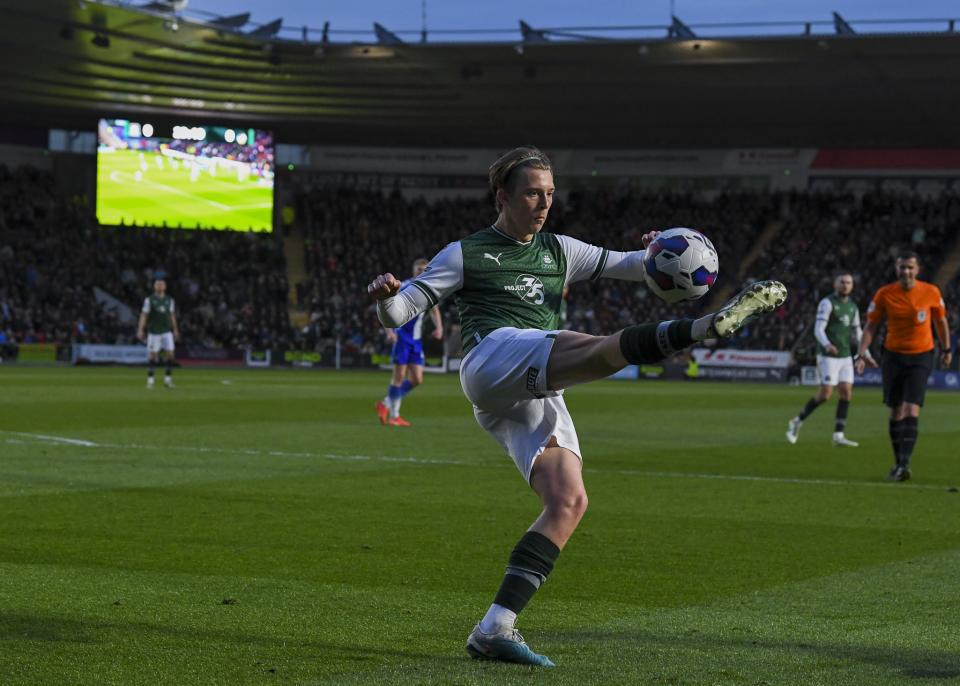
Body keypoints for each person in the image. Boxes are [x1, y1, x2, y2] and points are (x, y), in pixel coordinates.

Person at [366, 146, 786, 668]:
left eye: (549, 194)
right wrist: (388, 296)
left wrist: (662, 248)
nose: (543, 203)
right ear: (503, 196)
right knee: (592, 345)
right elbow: (401, 310)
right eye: (532, 193)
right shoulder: (465, 252)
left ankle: (495, 627)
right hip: (491, 358)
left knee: (568, 501)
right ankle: (702, 330)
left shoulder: (560, 249)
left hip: (532, 383)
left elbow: (631, 266)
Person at [856, 251, 951, 482]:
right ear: (896, 269)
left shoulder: (931, 292)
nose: (906, 271)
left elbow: (940, 321)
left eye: (910, 267)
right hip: (893, 357)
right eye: (902, 268)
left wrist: (947, 350)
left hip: (921, 356)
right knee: (895, 410)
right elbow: (871, 326)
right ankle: (899, 462)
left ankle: (905, 464)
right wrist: (861, 353)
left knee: (911, 408)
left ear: (917, 269)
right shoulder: (884, 294)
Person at [786, 272, 870, 447]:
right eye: (842, 282)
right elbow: (818, 329)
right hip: (828, 355)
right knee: (825, 394)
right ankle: (797, 421)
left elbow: (858, 333)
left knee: (846, 392)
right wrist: (826, 345)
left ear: (852, 286)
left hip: (846, 355)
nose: (845, 285)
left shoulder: (853, 307)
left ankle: (838, 435)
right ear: (835, 284)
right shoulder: (827, 303)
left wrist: (866, 354)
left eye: (848, 282)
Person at [375, 258, 444, 427]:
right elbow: (386, 308)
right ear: (413, 270)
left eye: (424, 269)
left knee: (417, 379)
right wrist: (389, 331)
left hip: (416, 340)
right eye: (418, 268)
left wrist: (439, 328)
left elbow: (434, 310)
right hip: (402, 338)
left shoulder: (427, 288)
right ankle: (394, 416)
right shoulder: (404, 286)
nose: (421, 271)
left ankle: (385, 403)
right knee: (398, 377)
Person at [137, 276, 179, 389]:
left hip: (166, 331)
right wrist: (140, 329)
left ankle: (168, 380)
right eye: (157, 284)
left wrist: (175, 329)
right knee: (153, 356)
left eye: (161, 284)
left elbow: (172, 315)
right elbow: (144, 315)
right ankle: (150, 380)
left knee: (170, 355)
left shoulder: (170, 300)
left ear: (165, 287)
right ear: (154, 287)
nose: (159, 286)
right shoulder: (149, 300)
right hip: (154, 332)